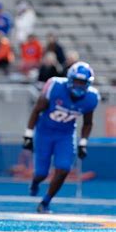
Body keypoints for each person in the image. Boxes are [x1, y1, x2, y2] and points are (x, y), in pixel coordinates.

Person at [23, 62, 99, 213]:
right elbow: (37, 110)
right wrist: (28, 134)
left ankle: (45, 202)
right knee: (41, 173)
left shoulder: (91, 97)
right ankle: (35, 182)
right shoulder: (55, 86)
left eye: (82, 82)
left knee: (64, 168)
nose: (78, 85)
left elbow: (88, 122)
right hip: (44, 132)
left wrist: (83, 143)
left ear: (88, 84)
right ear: (69, 79)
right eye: (76, 81)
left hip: (65, 134)